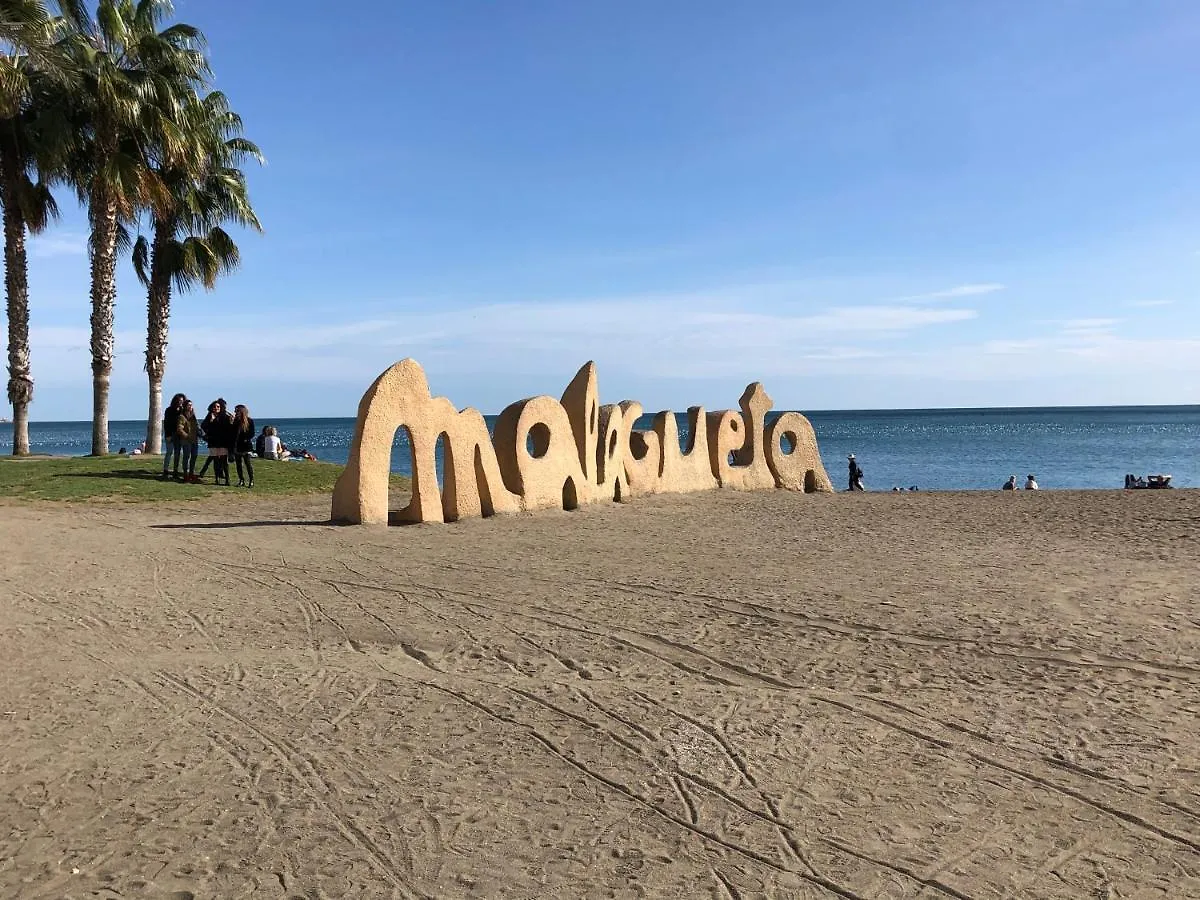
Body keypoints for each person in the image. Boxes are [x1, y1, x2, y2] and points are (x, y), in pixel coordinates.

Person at [198, 399, 234, 485]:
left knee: (224, 461)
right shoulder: (209, 416)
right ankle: (217, 479)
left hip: (222, 442)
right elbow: (204, 427)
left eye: (218, 407)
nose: (216, 408)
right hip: (213, 441)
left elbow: (229, 428)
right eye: (214, 407)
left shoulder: (225, 416)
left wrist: (232, 421)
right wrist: (211, 421)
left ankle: (227, 479)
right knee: (216, 461)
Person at [160, 393, 186, 480]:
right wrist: (168, 435)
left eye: (182, 401)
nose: (180, 402)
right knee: (169, 452)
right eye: (179, 401)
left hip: (179, 435)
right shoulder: (169, 410)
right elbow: (167, 424)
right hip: (170, 434)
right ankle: (165, 470)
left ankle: (176, 470)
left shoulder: (183, 411)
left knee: (178, 453)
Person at [232, 404, 256, 487]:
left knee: (248, 463)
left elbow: (252, 433)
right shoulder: (236, 421)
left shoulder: (249, 421)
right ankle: (241, 480)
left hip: (246, 445)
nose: (235, 412)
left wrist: (245, 438)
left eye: (237, 410)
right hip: (238, 445)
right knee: (238, 464)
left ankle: (251, 480)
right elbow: (233, 433)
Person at [179, 399, 201, 483]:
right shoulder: (182, 417)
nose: (190, 407)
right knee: (186, 457)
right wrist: (187, 436)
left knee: (194, 456)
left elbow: (197, 427)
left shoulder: (193, 416)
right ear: (185, 406)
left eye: (191, 405)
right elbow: (179, 429)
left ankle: (191, 473)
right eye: (188, 405)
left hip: (194, 440)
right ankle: (185, 474)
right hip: (186, 441)